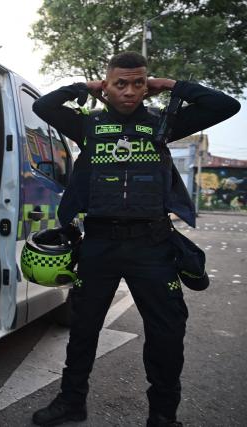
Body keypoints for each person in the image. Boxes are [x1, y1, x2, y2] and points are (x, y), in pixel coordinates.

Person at [30, 52, 240, 427]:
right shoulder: (88, 125)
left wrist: (173, 86)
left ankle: (163, 415)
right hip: (98, 245)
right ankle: (71, 402)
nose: (129, 91)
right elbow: (43, 105)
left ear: (148, 86)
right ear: (106, 86)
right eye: (120, 83)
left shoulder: (163, 123)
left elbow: (226, 104)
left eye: (138, 83)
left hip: (153, 246)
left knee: (166, 334)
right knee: (82, 330)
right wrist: (83, 88)